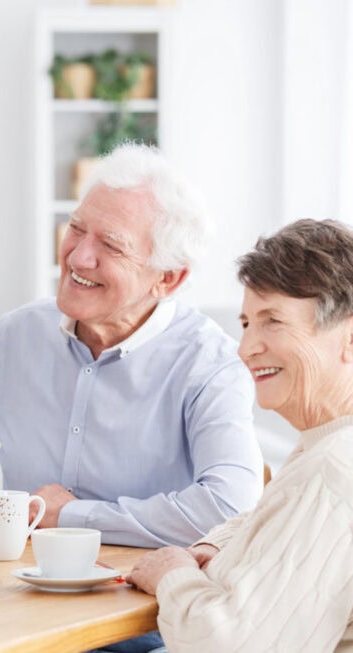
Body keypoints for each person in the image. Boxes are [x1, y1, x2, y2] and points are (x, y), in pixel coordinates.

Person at [0, 143, 264, 550]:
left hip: (145, 603)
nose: (79, 256)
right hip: (17, 592)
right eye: (76, 228)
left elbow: (229, 508)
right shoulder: (19, 335)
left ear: (168, 279)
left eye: (111, 245)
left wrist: (74, 518)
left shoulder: (210, 366)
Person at [127, 219, 353, 651]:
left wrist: (173, 573)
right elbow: (279, 524)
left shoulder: (331, 468)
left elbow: (229, 646)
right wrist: (218, 544)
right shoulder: (327, 444)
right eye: (247, 322)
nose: (245, 347)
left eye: (273, 321)